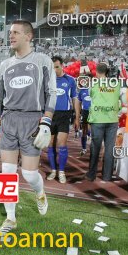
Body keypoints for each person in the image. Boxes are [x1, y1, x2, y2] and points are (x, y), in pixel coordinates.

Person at [0, 19, 56, 235]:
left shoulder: (43, 60)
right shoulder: (4, 65)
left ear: (29, 36)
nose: (11, 36)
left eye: (16, 32)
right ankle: (10, 218)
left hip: (32, 120)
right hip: (9, 120)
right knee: (7, 172)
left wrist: (46, 121)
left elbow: (51, 93)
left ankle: (40, 193)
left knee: (29, 174)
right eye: (10, 32)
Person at [85, 63, 121, 182]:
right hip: (112, 119)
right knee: (109, 149)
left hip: (98, 119)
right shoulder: (116, 84)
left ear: (97, 71)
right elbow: (119, 100)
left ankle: (91, 174)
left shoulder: (94, 84)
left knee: (95, 148)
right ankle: (107, 176)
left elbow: (91, 95)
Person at [46, 56, 80, 184]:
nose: (54, 70)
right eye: (52, 67)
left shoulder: (70, 80)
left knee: (62, 144)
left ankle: (61, 172)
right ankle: (53, 170)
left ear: (62, 66)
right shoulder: (48, 80)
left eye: (57, 67)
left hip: (64, 115)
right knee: (50, 144)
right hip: (50, 114)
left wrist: (77, 117)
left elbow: (75, 99)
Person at [78, 81, 92, 156]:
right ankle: (83, 148)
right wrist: (79, 114)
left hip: (94, 111)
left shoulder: (95, 88)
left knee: (93, 130)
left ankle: (93, 146)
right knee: (84, 131)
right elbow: (79, 103)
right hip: (85, 111)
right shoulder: (82, 90)